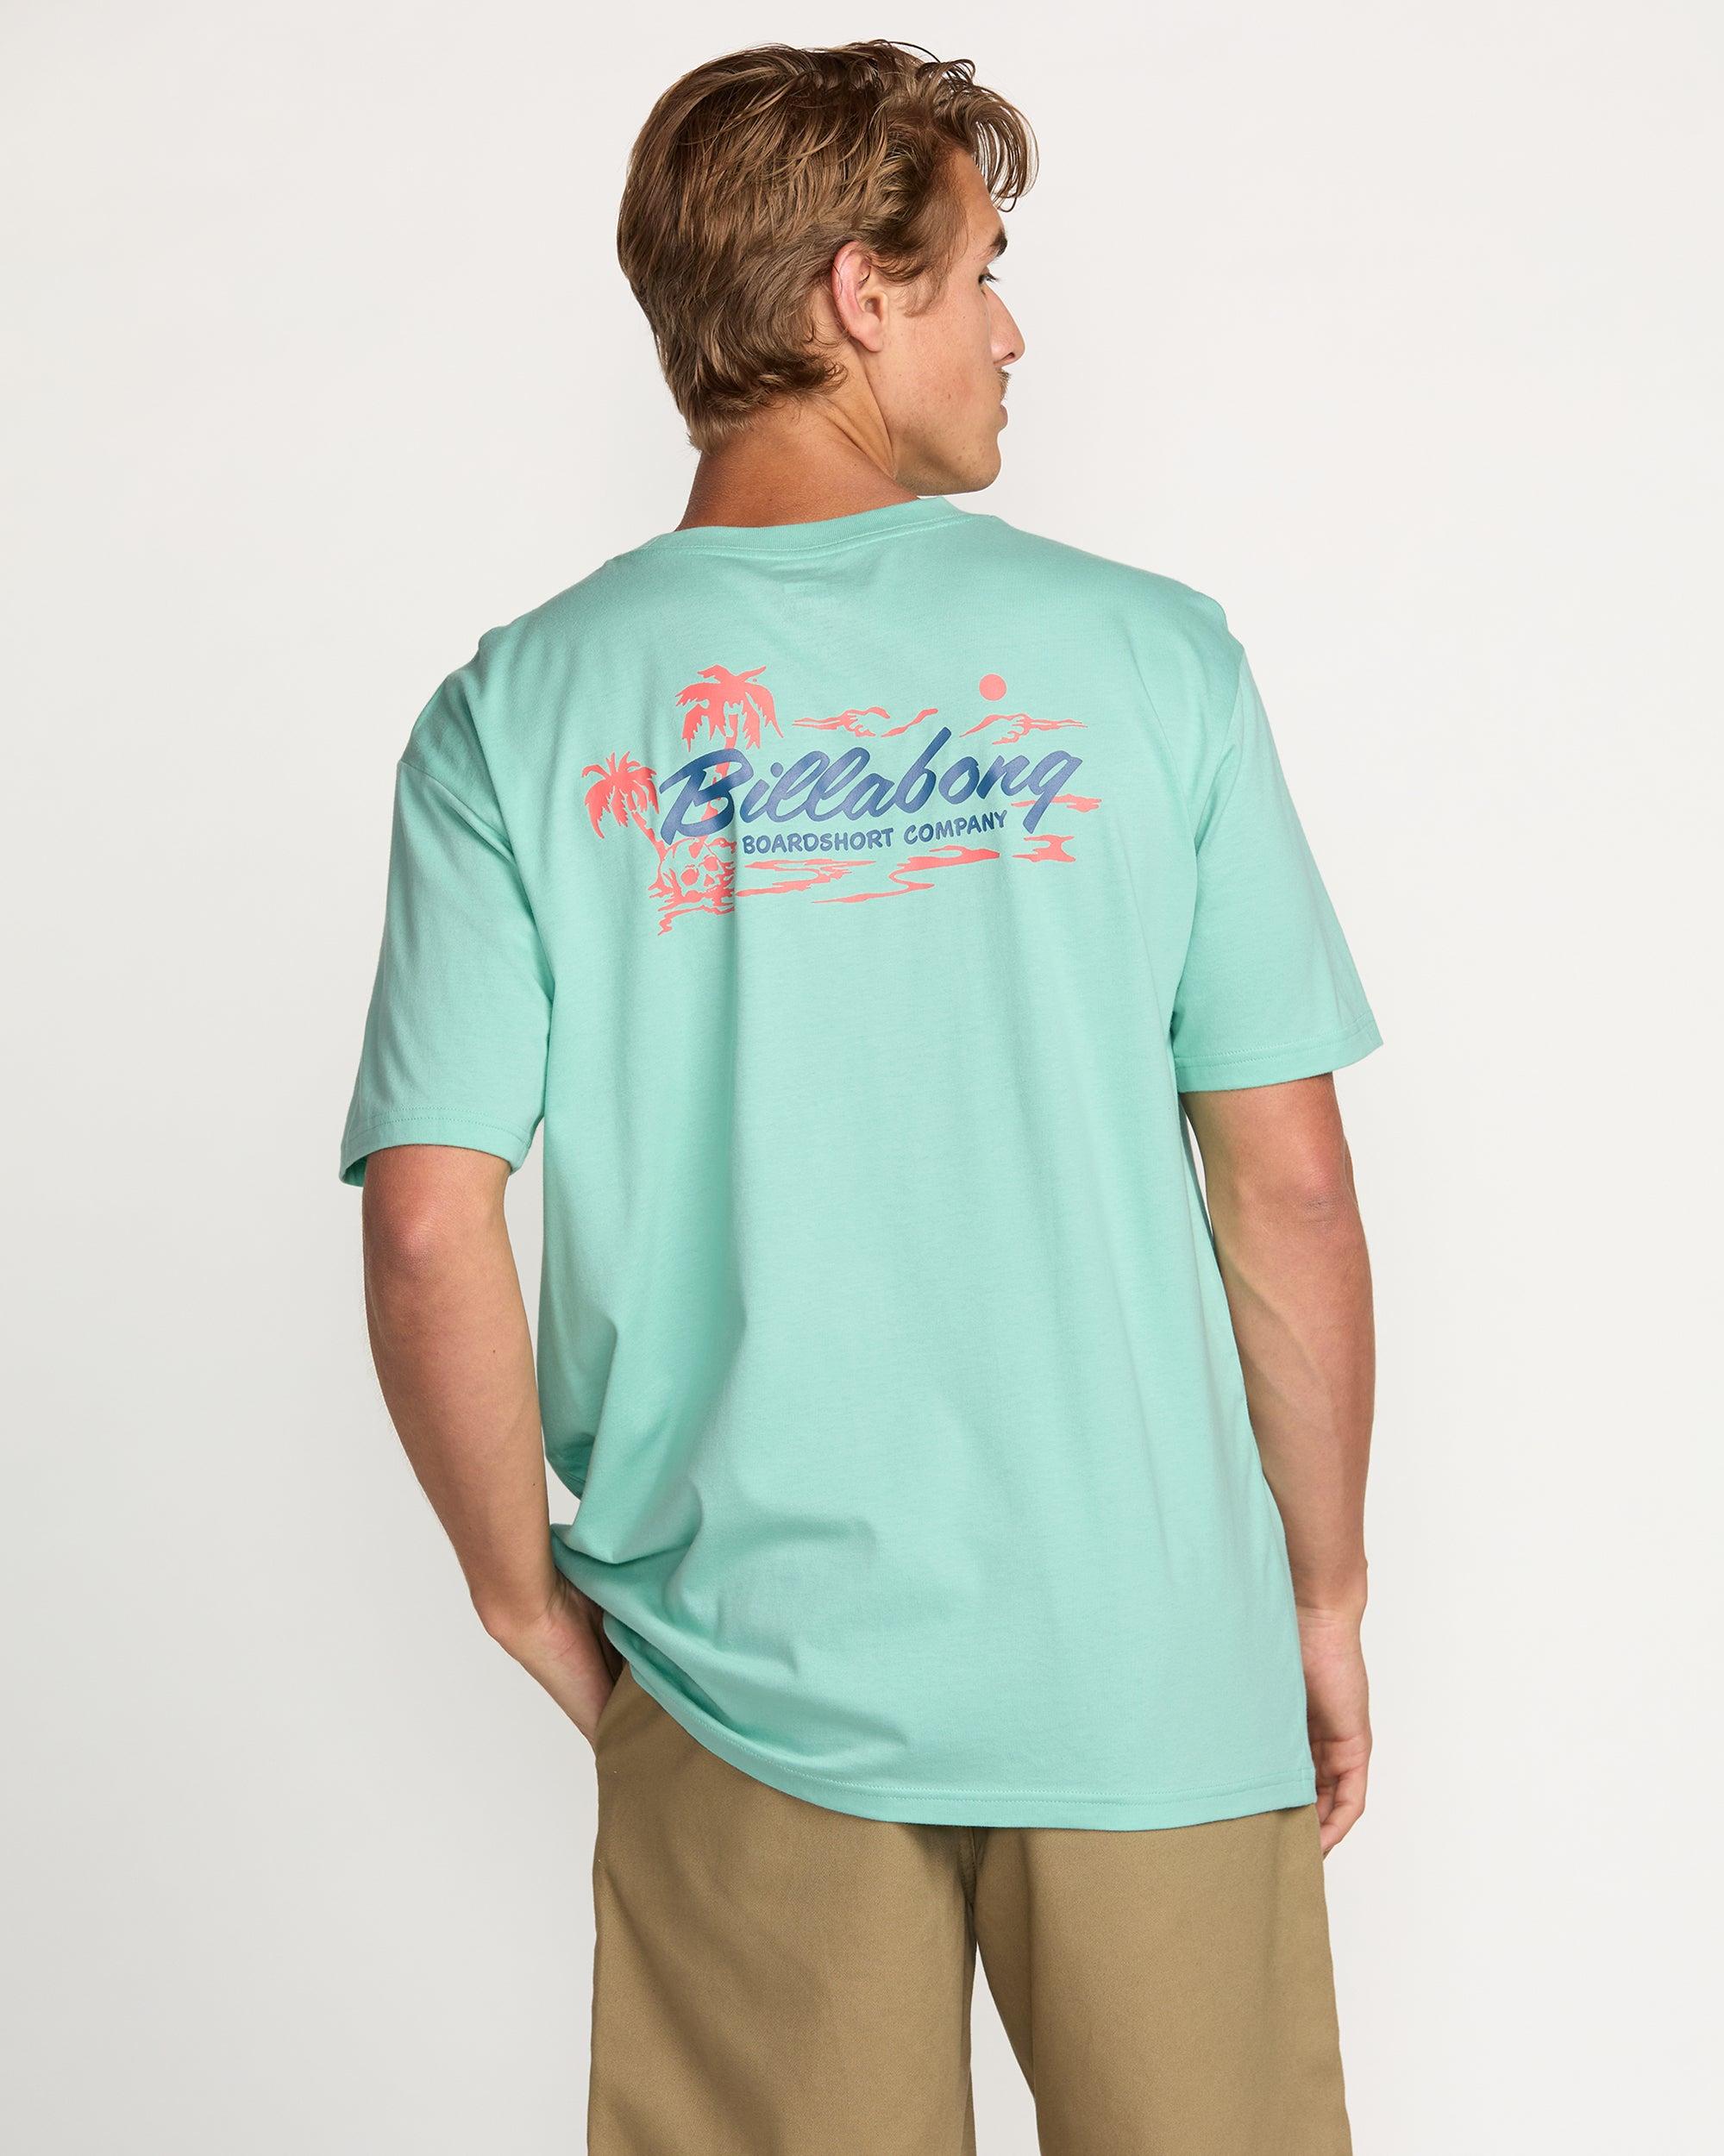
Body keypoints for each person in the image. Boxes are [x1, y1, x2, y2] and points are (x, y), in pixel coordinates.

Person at [340, 39, 1378, 2156]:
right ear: (856, 293)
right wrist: (1325, 1592)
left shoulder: (513, 710)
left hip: (742, 1670)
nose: (1009, 332)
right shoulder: (1154, 660)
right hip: (1142, 1656)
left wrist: (520, 1592)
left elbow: (431, 1216)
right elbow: (1284, 1187)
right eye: (980, 272)